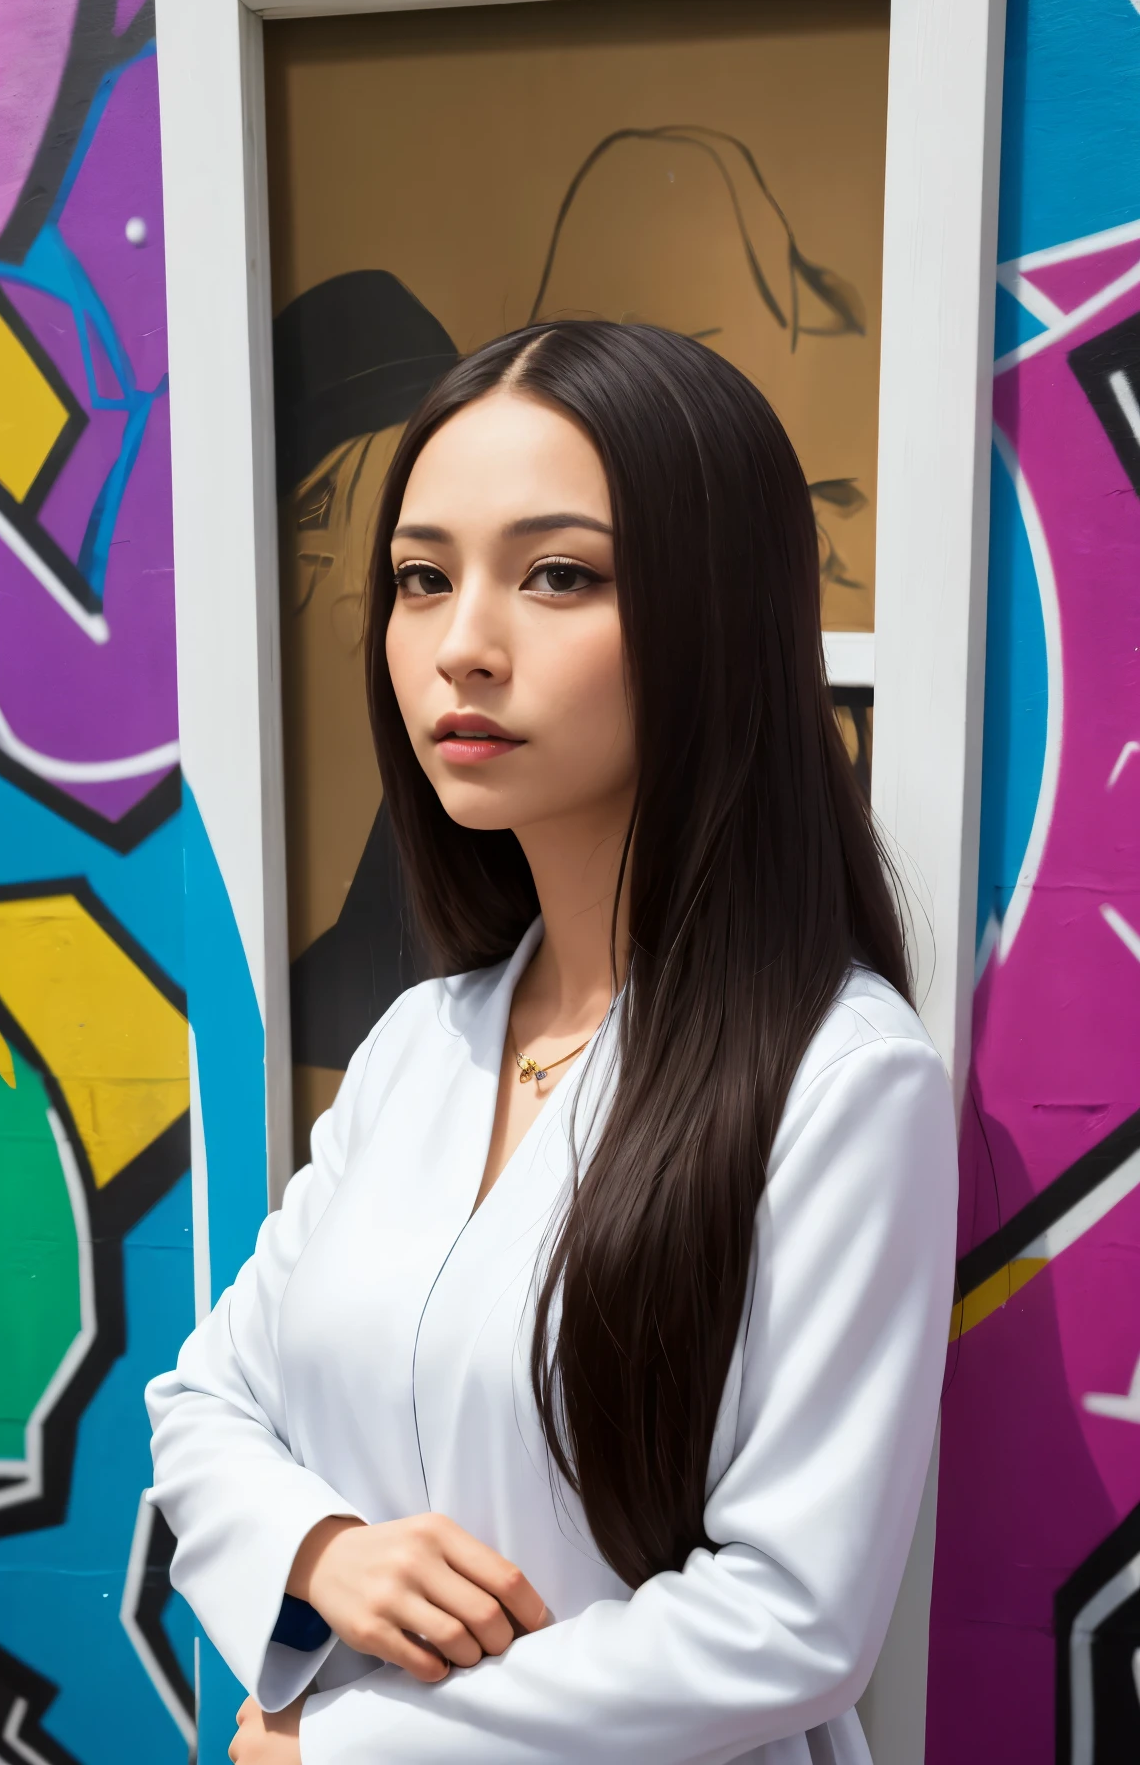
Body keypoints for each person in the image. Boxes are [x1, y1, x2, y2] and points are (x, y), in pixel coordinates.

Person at [146, 320, 957, 1765]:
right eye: (421, 577)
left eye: (558, 574)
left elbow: (793, 1617)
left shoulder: (839, 1077)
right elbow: (210, 1399)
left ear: (717, 613)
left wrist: (338, 1746)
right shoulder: (421, 1047)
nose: (462, 643)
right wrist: (318, 1549)